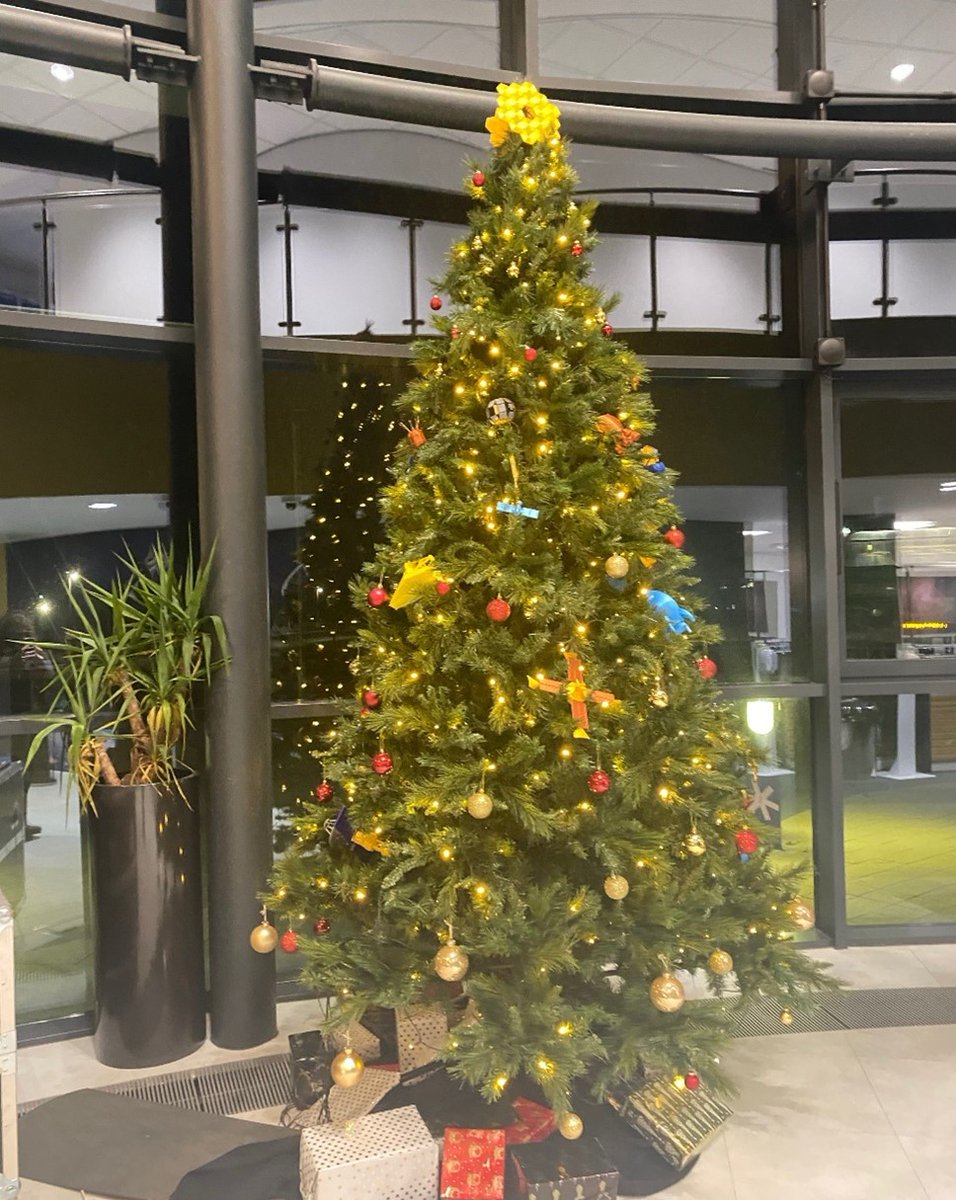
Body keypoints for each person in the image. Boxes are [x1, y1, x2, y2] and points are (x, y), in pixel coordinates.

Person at [0, 610, 53, 840]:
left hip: (29, 719)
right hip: (5, 720)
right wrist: (13, 661)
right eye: (19, 638)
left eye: (29, 637)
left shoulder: (35, 656)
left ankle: (20, 820)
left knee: (26, 774)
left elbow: (52, 687)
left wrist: (43, 665)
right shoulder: (6, 657)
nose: (25, 643)